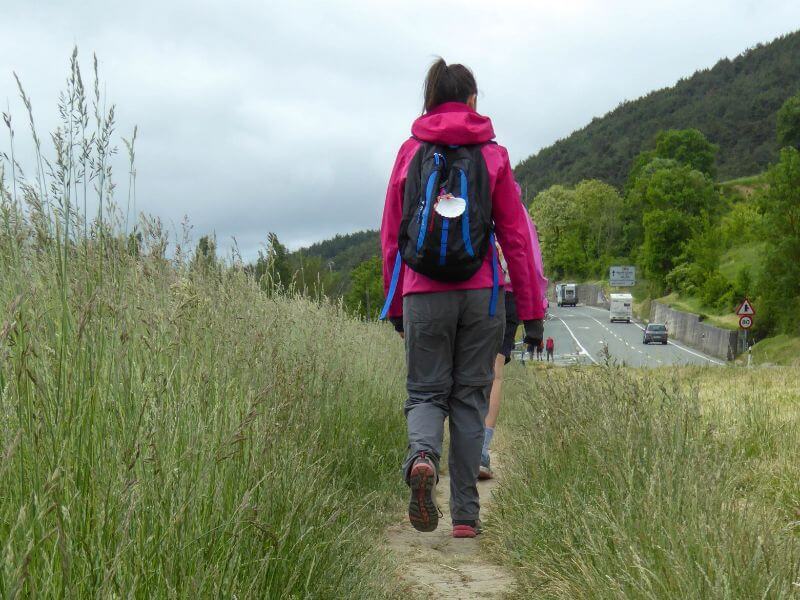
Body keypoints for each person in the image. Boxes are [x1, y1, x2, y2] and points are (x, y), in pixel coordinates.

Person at [380, 58, 544, 539]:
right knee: (470, 401)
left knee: (426, 392)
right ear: (472, 100)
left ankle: (424, 458)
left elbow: (392, 235)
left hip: (422, 293)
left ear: (429, 98)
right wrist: (532, 313)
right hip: (481, 295)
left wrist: (394, 303)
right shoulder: (493, 156)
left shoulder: (410, 152)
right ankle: (466, 518)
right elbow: (516, 237)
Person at [479, 214, 548, 481]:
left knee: (457, 371)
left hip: (457, 292)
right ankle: (480, 452)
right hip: (504, 295)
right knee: (494, 375)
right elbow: (530, 260)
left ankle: (430, 450)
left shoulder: (449, 190)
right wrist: (536, 312)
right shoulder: (514, 208)